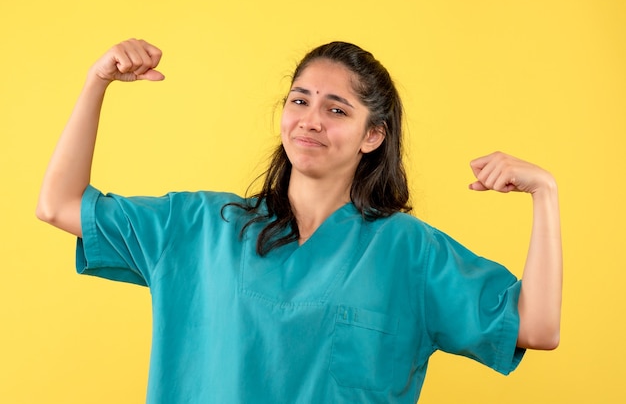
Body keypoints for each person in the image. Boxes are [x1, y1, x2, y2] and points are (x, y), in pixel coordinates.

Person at [36, 39, 562, 403]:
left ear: (372, 136)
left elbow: (536, 328)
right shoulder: (201, 226)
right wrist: (96, 83)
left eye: (337, 110)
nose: (310, 119)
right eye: (299, 100)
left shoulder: (408, 252)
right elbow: (58, 205)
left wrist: (546, 194)